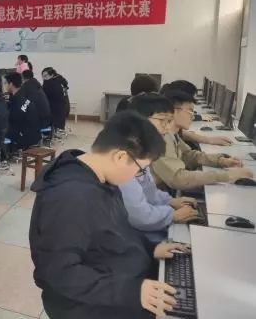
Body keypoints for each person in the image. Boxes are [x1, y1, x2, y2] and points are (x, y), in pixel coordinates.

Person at [30, 111, 186, 319]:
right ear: (120, 157)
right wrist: (133, 292)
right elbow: (60, 273)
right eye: (140, 169)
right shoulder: (72, 197)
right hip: (88, 304)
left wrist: (151, 249)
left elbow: (120, 229)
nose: (137, 176)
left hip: (118, 280)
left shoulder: (101, 179)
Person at [119, 94, 199, 241]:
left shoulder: (141, 150)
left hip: (143, 223)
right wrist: (172, 214)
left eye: (169, 121)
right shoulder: (123, 157)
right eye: (162, 121)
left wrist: (169, 201)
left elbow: (149, 192)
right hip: (128, 234)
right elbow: (139, 216)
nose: (167, 128)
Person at [151, 90, 253, 191]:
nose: (193, 116)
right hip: (161, 194)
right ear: (174, 111)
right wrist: (227, 176)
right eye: (190, 111)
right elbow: (178, 178)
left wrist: (222, 161)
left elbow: (188, 155)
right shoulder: (162, 138)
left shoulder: (172, 134)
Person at [5, 72, 41, 150]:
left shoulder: (16, 99)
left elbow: (13, 118)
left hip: (24, 137)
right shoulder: (23, 95)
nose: (5, 85)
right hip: (34, 134)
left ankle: (4, 154)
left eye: (5, 83)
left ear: (11, 84)